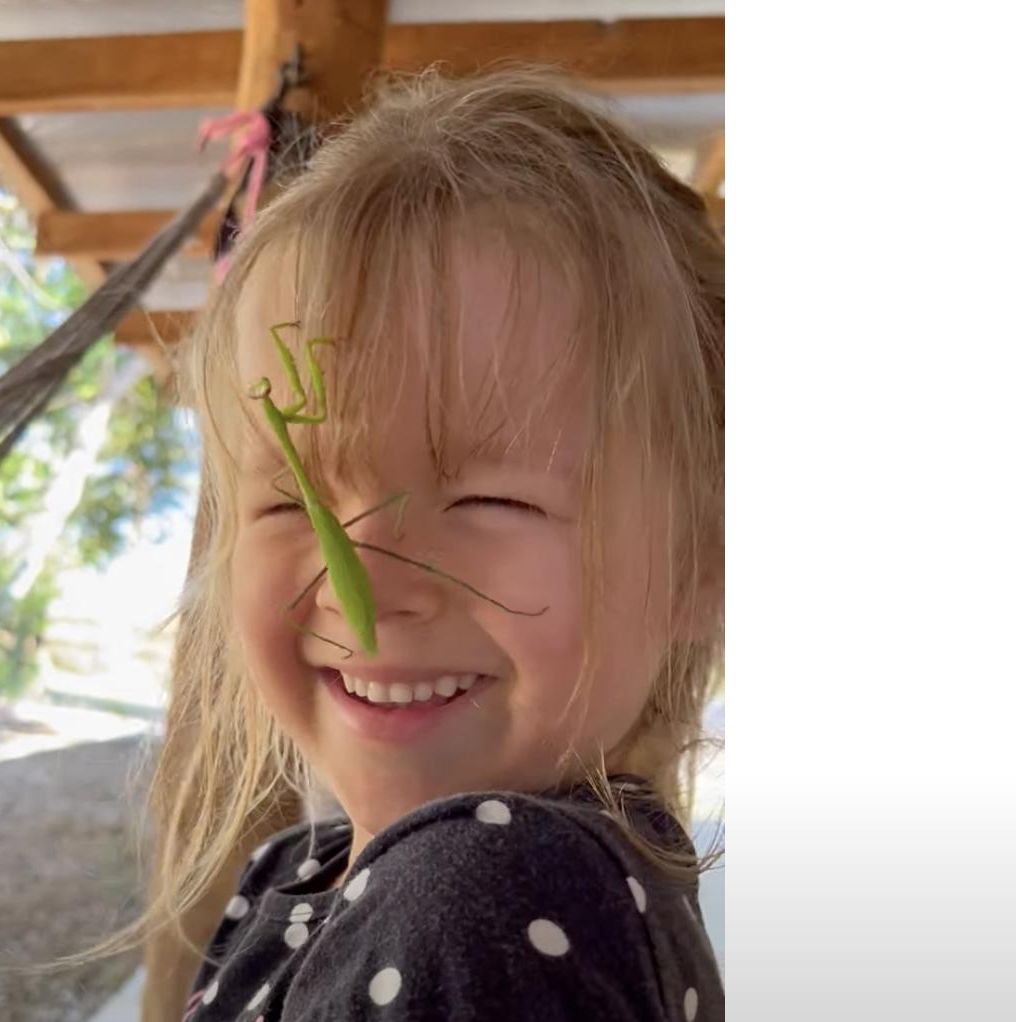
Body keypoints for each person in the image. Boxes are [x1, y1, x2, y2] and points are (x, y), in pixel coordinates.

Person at [91, 68, 724, 1021]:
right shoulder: (346, 872)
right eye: (285, 503)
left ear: (704, 559)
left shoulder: (479, 902)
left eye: (495, 497)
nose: (363, 588)